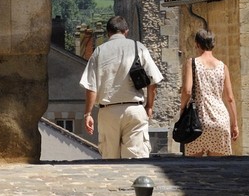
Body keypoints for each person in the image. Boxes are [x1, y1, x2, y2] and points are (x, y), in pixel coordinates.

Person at [80, 15, 164, 159]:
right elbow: (153, 82)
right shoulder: (139, 48)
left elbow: (91, 86)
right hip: (134, 109)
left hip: (108, 111)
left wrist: (88, 114)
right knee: (136, 160)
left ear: (108, 33)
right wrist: (149, 106)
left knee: (109, 160)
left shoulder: (99, 52)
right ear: (126, 31)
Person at [179, 27, 239, 156]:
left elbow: (187, 90)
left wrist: (182, 108)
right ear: (213, 44)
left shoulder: (192, 63)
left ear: (197, 44)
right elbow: (230, 98)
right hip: (220, 120)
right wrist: (235, 124)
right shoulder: (223, 67)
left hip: (198, 121)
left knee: (194, 169)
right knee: (218, 169)